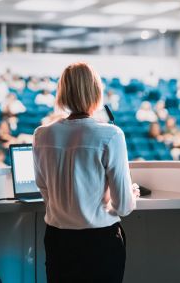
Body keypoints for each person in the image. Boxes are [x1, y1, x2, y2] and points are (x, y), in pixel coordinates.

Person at [33, 62, 139, 283]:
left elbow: (44, 188)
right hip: (99, 241)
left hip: (57, 239)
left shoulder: (41, 134)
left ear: (62, 92)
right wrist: (130, 194)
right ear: (95, 92)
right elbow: (124, 206)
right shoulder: (111, 134)